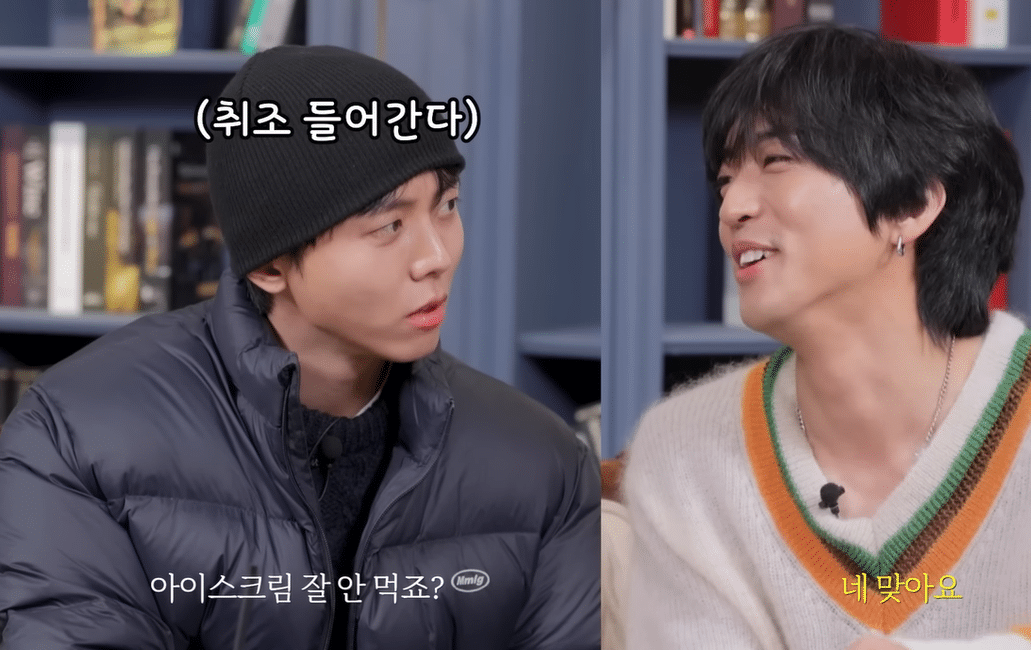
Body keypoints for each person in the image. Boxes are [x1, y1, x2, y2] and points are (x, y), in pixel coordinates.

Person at [619, 24, 1031, 649]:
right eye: (725, 178)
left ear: (913, 205)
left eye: (775, 161)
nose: (732, 208)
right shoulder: (682, 448)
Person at [0, 45, 600, 649]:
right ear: (270, 266)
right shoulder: (75, 438)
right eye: (390, 226)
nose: (437, 257)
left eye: (447, 207)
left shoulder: (543, 466)